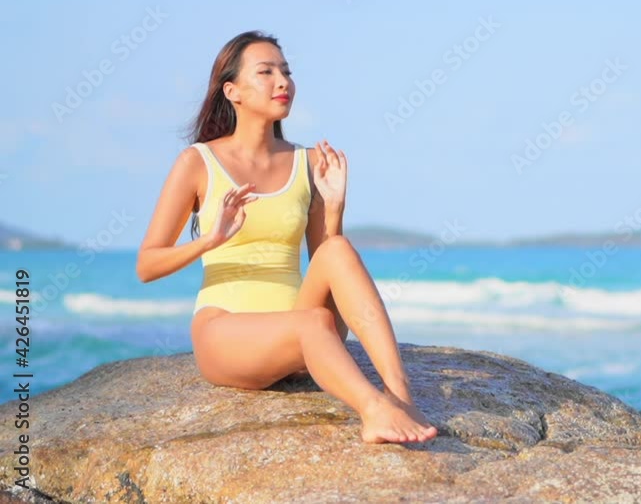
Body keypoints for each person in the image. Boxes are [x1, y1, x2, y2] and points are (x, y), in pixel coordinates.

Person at [135, 31, 437, 444]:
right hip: (225, 332)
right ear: (232, 91)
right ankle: (373, 412)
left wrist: (334, 207)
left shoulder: (308, 161)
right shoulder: (198, 162)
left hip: (305, 332)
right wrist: (210, 239)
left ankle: (400, 395)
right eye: (266, 72)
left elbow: (326, 263)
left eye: (287, 72)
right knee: (311, 324)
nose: (283, 82)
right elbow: (147, 265)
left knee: (338, 250)